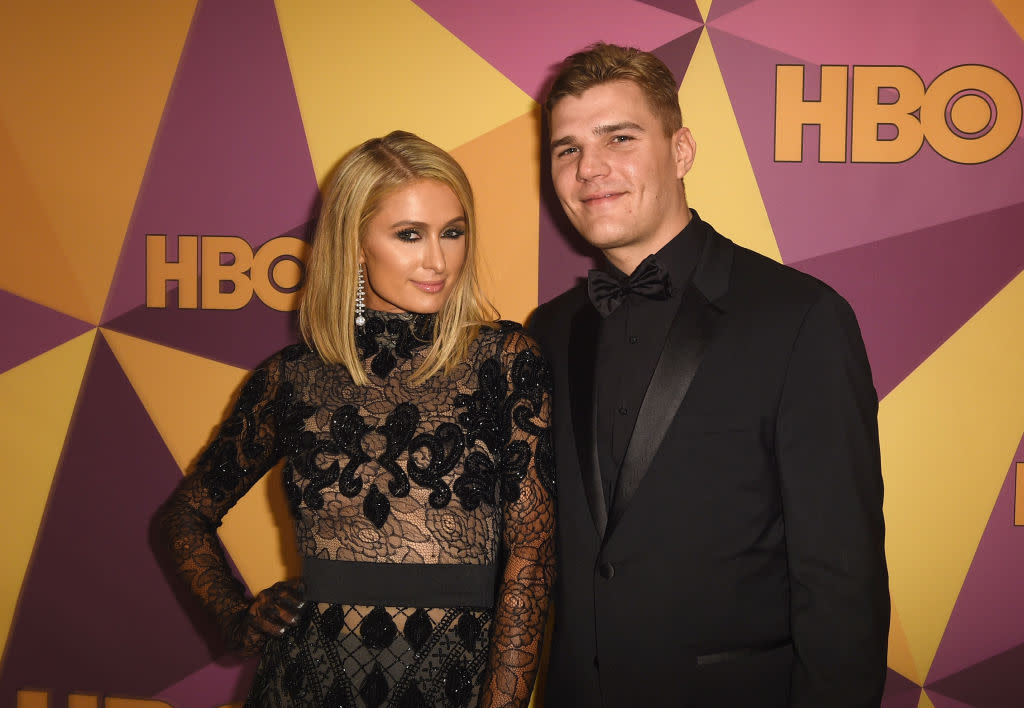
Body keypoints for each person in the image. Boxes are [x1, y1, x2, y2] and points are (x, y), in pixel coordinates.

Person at [529, 43, 889, 707]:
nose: (590, 169)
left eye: (620, 138)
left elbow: (841, 577)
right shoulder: (546, 330)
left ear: (682, 150)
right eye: (566, 148)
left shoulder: (800, 316)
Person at [158, 130, 555, 708]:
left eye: (452, 232)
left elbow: (531, 556)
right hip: (306, 681)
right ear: (355, 244)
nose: (437, 260)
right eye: (408, 235)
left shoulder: (504, 361)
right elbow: (184, 515)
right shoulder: (295, 377)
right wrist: (236, 615)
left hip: (452, 682)